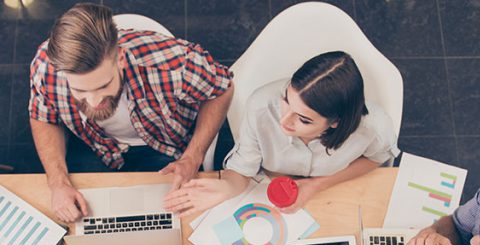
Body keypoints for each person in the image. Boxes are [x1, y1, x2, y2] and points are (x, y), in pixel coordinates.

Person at [28, 3, 234, 222]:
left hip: (167, 147)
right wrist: (58, 183)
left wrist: (193, 157)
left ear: (120, 58)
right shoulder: (45, 68)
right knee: (87, 228)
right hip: (98, 147)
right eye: (79, 90)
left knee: (176, 222)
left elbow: (222, 89)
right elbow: (43, 117)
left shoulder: (173, 62)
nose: (94, 102)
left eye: (103, 86)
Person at [164, 51, 398, 215]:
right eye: (286, 100)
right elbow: (242, 170)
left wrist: (317, 185)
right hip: (266, 190)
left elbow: (377, 158)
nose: (283, 121)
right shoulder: (261, 106)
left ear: (335, 122)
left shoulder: (373, 128)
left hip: (334, 194)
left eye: (304, 119)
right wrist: (227, 187)